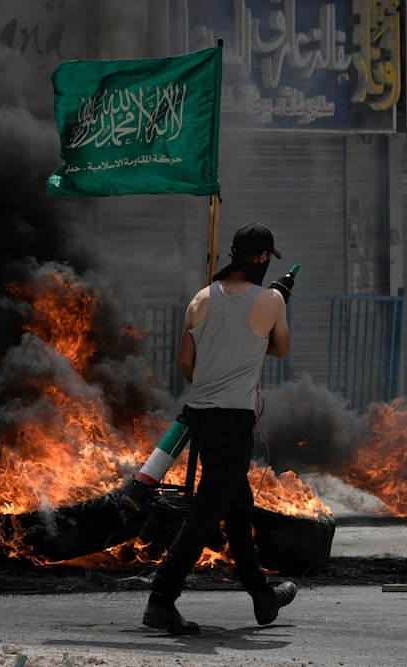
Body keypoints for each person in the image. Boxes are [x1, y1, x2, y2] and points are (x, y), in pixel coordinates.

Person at [142, 222, 298, 635]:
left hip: (201, 419)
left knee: (237, 508)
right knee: (205, 515)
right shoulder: (270, 301)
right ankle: (161, 599)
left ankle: (262, 596)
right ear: (264, 259)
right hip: (233, 423)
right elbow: (281, 349)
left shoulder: (200, 298)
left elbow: (184, 366)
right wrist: (267, 317)